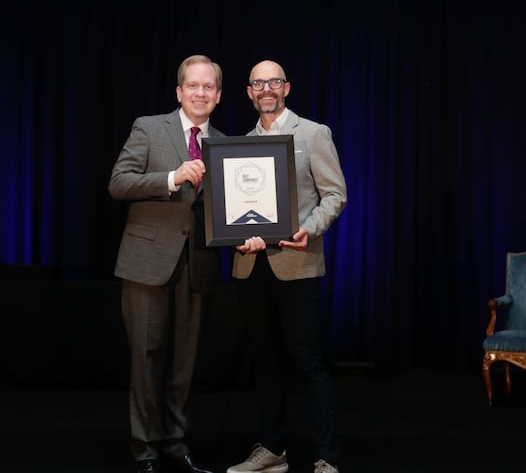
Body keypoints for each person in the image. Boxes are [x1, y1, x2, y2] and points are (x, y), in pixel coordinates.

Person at [226, 60, 347, 473]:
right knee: (264, 361)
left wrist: (308, 230)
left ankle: (326, 457)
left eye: (273, 82)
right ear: (249, 92)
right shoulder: (238, 146)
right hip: (250, 266)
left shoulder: (313, 133)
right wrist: (232, 232)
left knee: (307, 360)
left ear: (286, 87)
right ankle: (272, 450)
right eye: (258, 83)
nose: (266, 89)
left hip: (297, 263)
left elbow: (335, 194)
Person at [108, 54, 224, 473]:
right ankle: (145, 448)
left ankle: (176, 441)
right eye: (193, 85)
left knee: (184, 363)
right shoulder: (149, 127)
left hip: (199, 265)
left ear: (218, 95)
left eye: (208, 86)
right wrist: (172, 178)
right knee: (146, 358)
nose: (200, 93)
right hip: (146, 262)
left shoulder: (226, 145)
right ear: (179, 91)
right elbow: (119, 183)